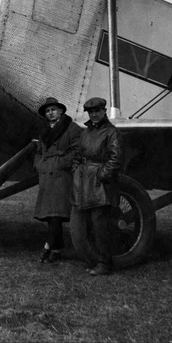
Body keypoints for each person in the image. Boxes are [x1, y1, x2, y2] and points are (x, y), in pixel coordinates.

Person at [72, 97, 124, 277]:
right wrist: (76, 169)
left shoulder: (111, 132)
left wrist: (102, 176)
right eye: (90, 112)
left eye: (97, 111)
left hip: (100, 184)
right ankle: (93, 260)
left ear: (104, 111)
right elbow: (78, 154)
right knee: (86, 223)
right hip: (84, 181)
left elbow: (115, 158)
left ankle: (104, 263)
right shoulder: (85, 132)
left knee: (100, 224)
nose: (94, 115)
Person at [32, 97, 82, 264]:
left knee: (56, 214)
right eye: (47, 111)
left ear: (61, 111)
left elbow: (77, 150)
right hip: (47, 174)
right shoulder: (44, 130)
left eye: (53, 109)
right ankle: (57, 249)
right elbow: (39, 151)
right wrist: (39, 165)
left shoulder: (72, 128)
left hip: (61, 176)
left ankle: (48, 248)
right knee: (50, 215)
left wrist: (63, 163)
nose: (50, 113)